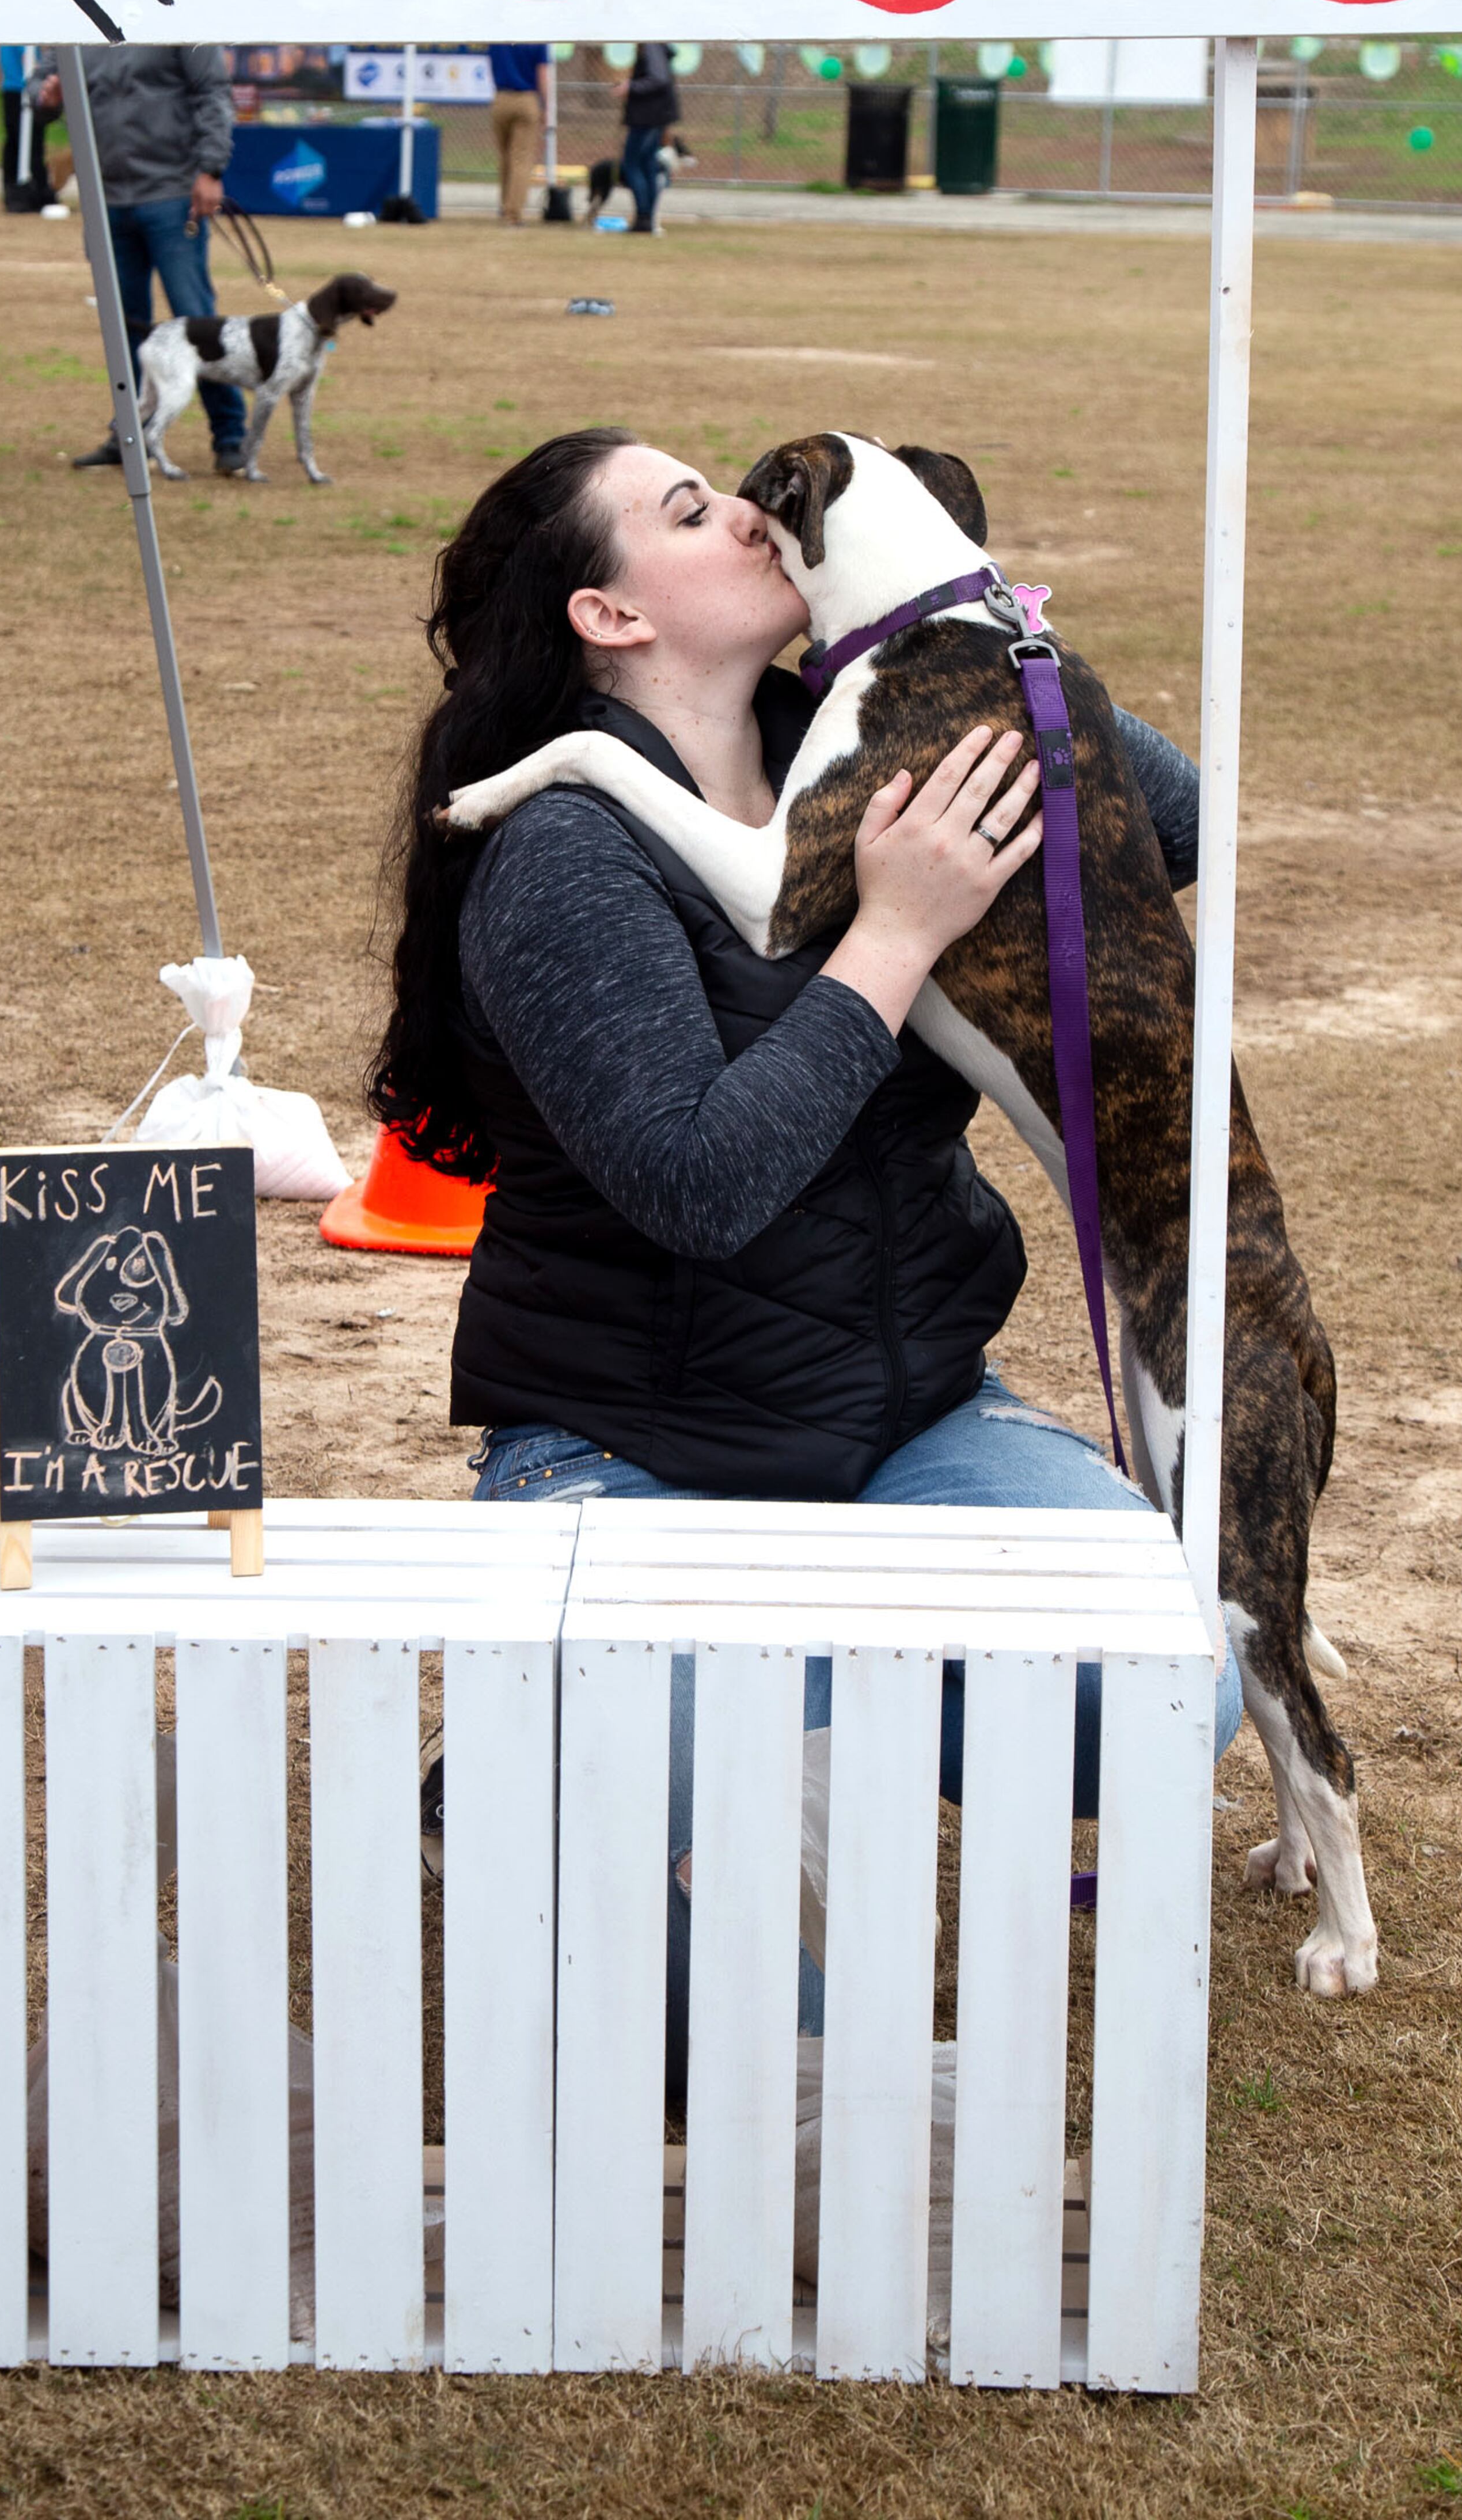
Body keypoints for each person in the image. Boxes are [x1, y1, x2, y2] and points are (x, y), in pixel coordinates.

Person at [374, 429, 1239, 2051]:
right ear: (610, 617)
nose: (753, 514)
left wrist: (979, 629)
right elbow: (702, 1184)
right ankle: (524, 1788)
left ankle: (759, 1724)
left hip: (908, 1424)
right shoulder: (564, 856)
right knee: (814, 2062)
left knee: (1176, 1688)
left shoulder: (864, 737)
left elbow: (1174, 833)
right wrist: (898, 935)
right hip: (638, 1451)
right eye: (690, 512)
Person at [62, 45, 246, 473]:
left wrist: (211, 168)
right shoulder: (76, 18)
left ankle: (231, 436)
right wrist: (44, 91)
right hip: (106, 197)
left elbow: (213, 92)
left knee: (195, 321)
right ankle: (129, 435)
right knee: (124, 324)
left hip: (172, 193)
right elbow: (44, 82)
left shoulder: (174, 14)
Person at [619, 43, 679, 234]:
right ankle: (648, 218)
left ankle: (645, 216)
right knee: (648, 164)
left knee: (633, 163)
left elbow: (658, 78)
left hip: (647, 116)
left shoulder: (652, 46)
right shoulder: (659, 47)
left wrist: (631, 86)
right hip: (656, 115)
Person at [485, 41, 547, 225]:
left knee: (505, 158)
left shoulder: (499, 39)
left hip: (501, 98)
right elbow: (542, 73)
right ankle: (513, 213)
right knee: (521, 159)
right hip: (527, 98)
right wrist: (547, 106)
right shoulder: (537, 40)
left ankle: (505, 206)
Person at [0, 43, 58, 213]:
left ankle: (16, 193)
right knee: (30, 143)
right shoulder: (21, 34)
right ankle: (35, 192)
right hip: (22, 90)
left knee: (14, 143)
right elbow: (29, 62)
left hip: (11, 89)